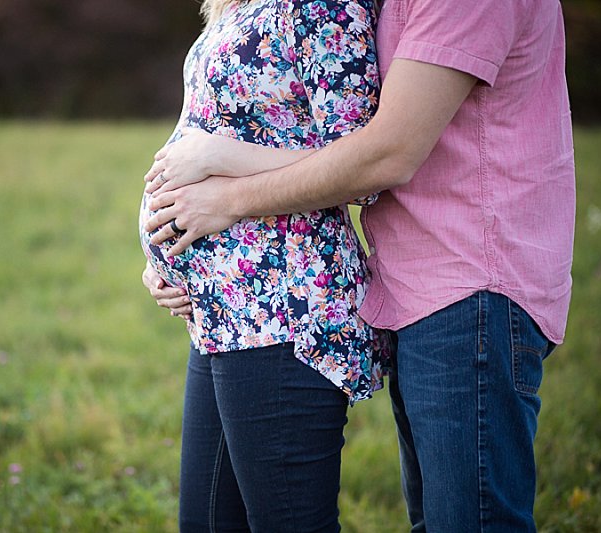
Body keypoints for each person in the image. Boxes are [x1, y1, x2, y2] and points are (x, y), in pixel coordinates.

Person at [144, 0, 575, 531]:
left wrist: (223, 192)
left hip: (465, 282)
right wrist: (167, 249)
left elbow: (382, 153)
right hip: (407, 283)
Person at [138, 0, 387, 530]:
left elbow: (362, 161)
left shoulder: (326, 7)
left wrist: (218, 158)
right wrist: (165, 257)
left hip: (283, 307)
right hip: (220, 311)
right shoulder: (240, 4)